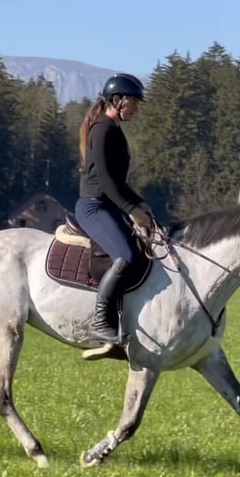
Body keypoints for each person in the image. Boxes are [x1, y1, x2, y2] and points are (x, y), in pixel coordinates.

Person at [75, 73, 154, 357]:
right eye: (133, 102)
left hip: (109, 205)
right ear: (117, 100)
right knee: (126, 257)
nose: (136, 108)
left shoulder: (114, 130)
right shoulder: (102, 130)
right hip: (94, 207)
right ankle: (100, 323)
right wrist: (130, 209)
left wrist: (141, 204)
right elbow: (107, 183)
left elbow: (119, 183)